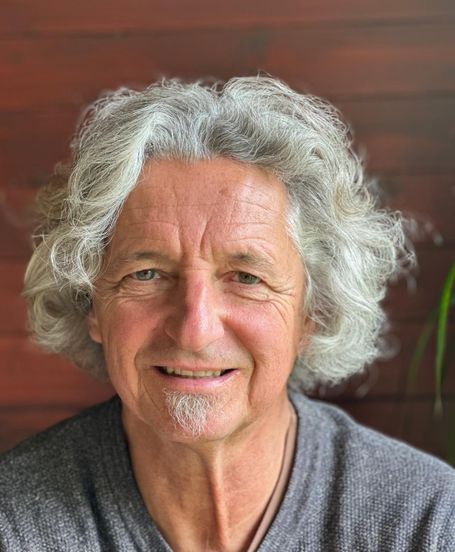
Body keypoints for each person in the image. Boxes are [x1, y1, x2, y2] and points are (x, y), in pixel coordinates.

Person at [0, 76, 454, 552]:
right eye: (147, 274)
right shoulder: (15, 525)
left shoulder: (425, 522)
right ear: (90, 301)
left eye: (246, 278)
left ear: (313, 311)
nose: (194, 330)